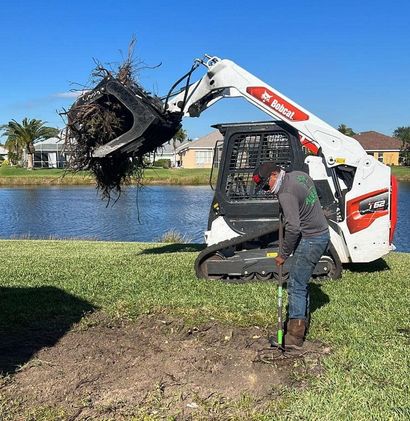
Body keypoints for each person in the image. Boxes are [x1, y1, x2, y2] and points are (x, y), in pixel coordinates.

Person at [252, 162, 330, 349]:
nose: (266, 190)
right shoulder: (298, 176)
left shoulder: (285, 193)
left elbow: (293, 228)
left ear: (273, 175)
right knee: (301, 282)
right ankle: (301, 322)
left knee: (295, 284)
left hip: (312, 239)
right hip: (321, 233)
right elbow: (312, 196)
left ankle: (294, 338)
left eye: (265, 185)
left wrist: (283, 255)